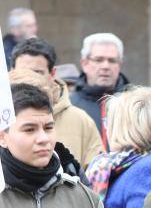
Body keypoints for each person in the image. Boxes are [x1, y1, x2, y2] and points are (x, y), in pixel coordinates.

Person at [11, 37, 103, 167]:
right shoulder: (4, 116)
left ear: (53, 73)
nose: (30, 78)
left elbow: (96, 177)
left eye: (37, 72)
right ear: (11, 71)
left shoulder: (81, 120)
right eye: (24, 72)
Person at [71, 32, 130, 148]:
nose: (105, 66)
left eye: (112, 61)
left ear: (119, 65)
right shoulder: (71, 104)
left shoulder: (134, 103)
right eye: (98, 60)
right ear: (84, 63)